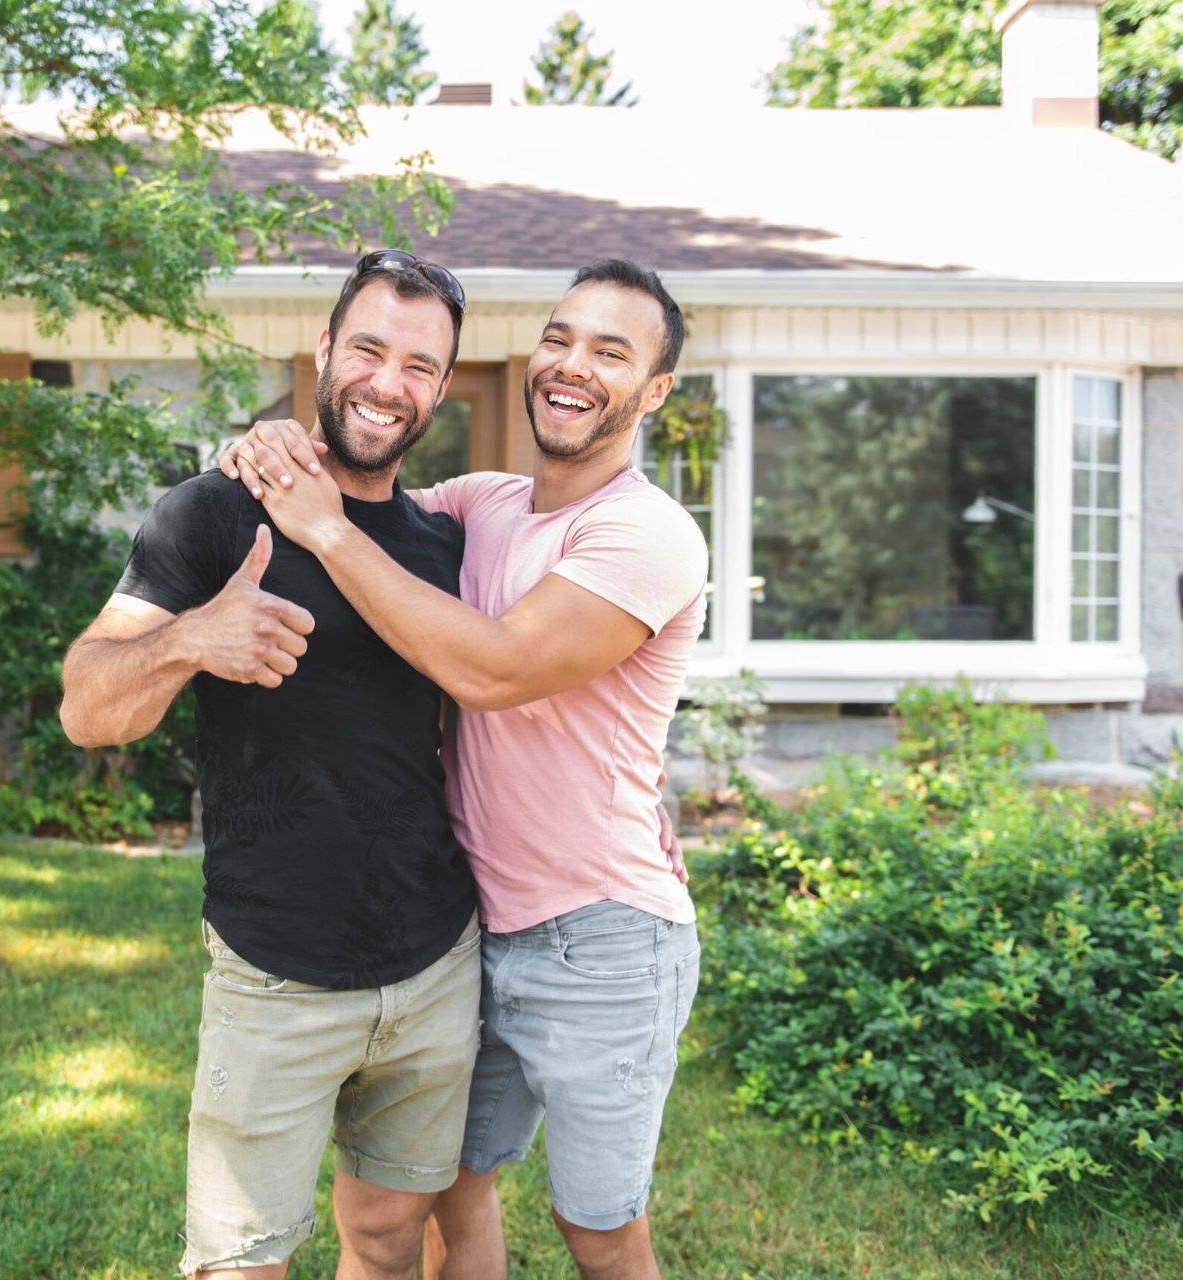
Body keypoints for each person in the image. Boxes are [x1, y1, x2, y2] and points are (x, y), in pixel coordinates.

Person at [220, 259, 709, 1280]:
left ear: (654, 391)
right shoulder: (483, 503)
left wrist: (320, 526)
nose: (572, 366)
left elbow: (492, 669)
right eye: (561, 338)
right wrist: (280, 439)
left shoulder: (647, 533)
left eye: (611, 353)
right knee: (451, 1184)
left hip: (603, 934)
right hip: (471, 927)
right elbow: (367, 476)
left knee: (600, 1228)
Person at [60, 250, 483, 1280]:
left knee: (386, 1238)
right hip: (273, 971)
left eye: (420, 365)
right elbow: (84, 703)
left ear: (440, 389)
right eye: (370, 348)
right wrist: (191, 637)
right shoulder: (214, 511)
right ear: (325, 351)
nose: (389, 382)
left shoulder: (442, 543)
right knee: (239, 1262)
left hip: (433, 962)